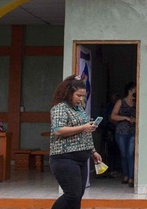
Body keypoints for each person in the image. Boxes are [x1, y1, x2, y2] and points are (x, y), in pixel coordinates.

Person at [49, 75, 102, 209]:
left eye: (83, 96)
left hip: (82, 158)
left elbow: (85, 133)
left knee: (78, 195)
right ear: (68, 92)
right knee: (71, 194)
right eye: (79, 95)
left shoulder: (79, 110)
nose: (81, 99)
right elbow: (58, 130)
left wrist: (93, 151)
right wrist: (83, 127)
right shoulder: (60, 108)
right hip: (65, 158)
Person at [110, 81, 136, 187]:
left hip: (133, 132)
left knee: (130, 154)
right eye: (135, 89)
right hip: (121, 132)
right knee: (124, 154)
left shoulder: (137, 103)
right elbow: (113, 116)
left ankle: (131, 177)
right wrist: (125, 118)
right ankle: (125, 175)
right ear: (130, 91)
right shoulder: (121, 102)